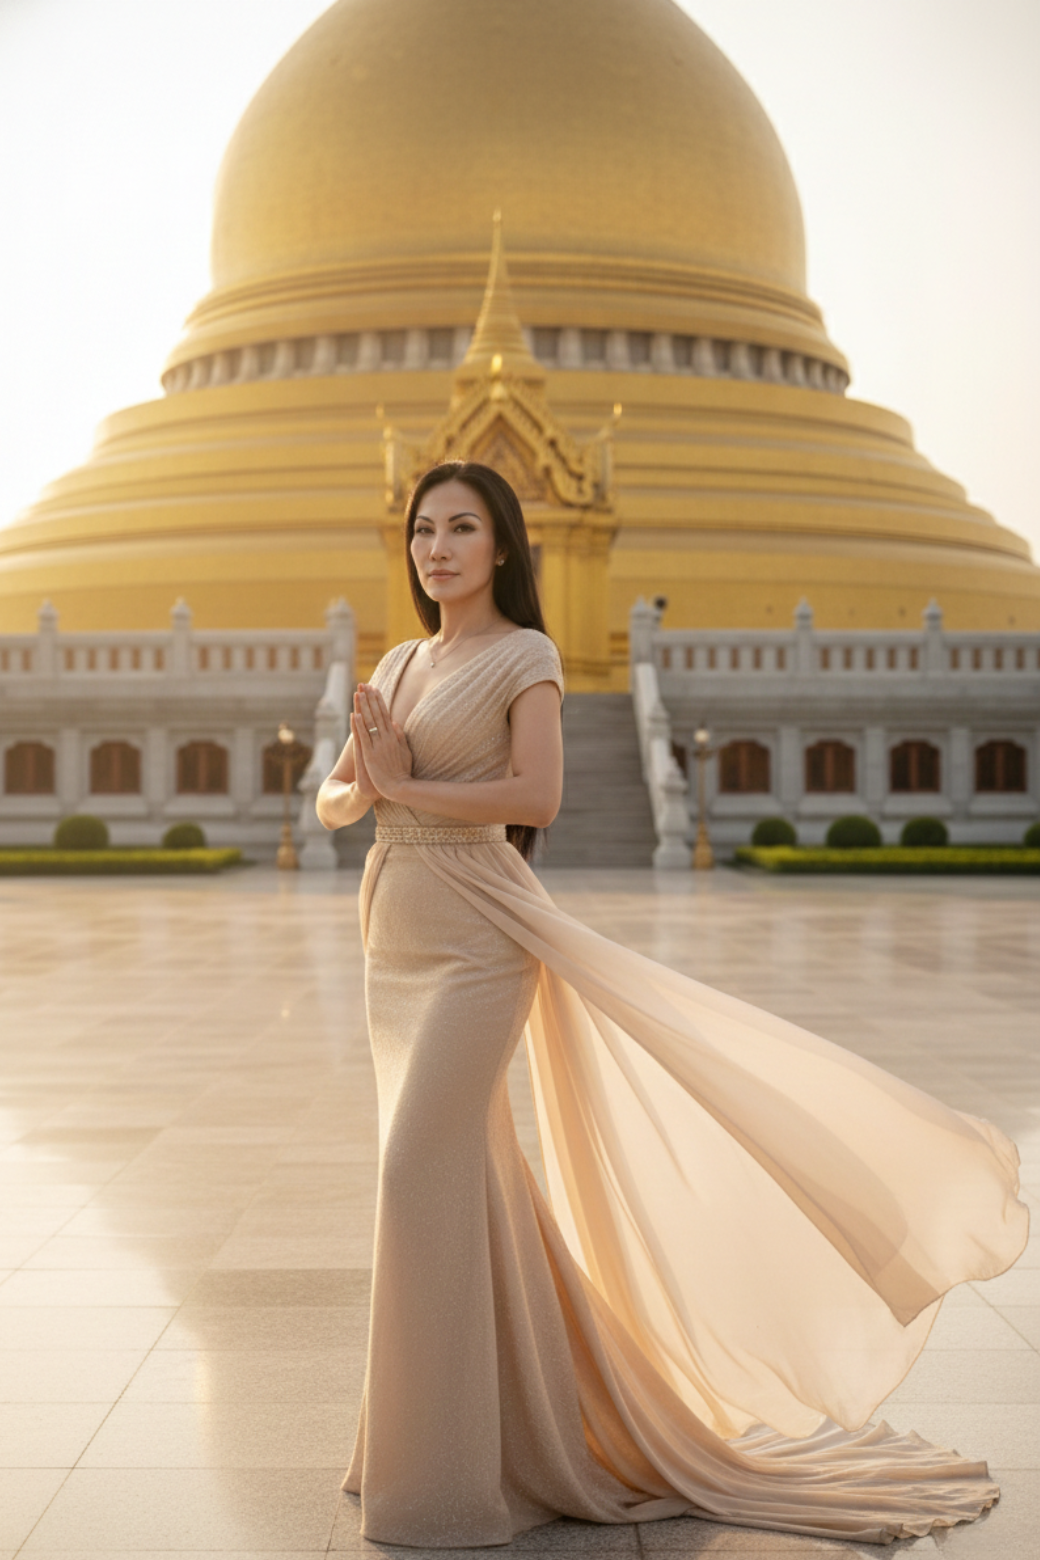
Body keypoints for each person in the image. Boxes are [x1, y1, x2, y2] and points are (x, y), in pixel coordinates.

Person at [316, 460, 1028, 1551]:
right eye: (422, 530)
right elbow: (331, 799)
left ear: (503, 546)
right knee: (464, 1182)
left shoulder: (527, 656)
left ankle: (457, 1466)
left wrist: (407, 786)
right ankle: (444, 1446)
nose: (437, 550)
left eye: (461, 529)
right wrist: (366, 781)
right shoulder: (399, 663)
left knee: (418, 1170)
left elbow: (538, 795)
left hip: (478, 931)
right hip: (395, 931)